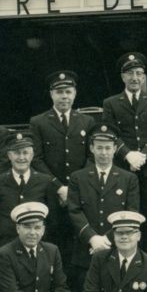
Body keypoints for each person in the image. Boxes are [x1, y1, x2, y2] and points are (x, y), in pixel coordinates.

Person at [100, 52, 147, 253]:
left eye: (139, 73)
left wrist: (144, 155)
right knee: (124, 216)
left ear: (144, 76)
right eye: (130, 73)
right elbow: (110, 132)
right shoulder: (111, 103)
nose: (135, 78)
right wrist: (128, 154)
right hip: (124, 168)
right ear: (123, 77)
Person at [65, 124, 139, 289]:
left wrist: (106, 239)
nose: (104, 153)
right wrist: (92, 239)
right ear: (92, 148)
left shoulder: (129, 179)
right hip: (86, 250)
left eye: (107, 148)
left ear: (114, 149)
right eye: (99, 148)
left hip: (117, 248)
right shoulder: (78, 178)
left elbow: (131, 212)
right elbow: (74, 210)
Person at [28, 70, 95, 210]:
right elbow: (36, 159)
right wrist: (59, 187)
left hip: (81, 189)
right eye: (59, 92)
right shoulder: (38, 122)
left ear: (75, 93)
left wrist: (76, 185)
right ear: (51, 94)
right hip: (51, 190)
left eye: (68, 92)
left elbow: (92, 156)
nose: (64, 96)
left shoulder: (87, 121)